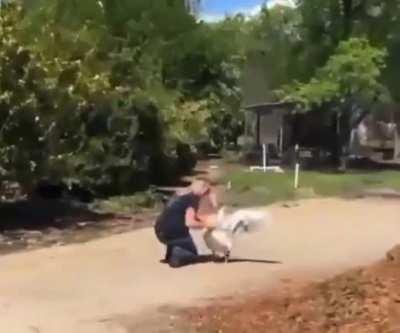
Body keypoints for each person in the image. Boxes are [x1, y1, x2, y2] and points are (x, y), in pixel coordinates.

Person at [154, 179, 218, 268]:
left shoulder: (180, 193)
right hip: (172, 233)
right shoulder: (192, 199)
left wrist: (202, 221)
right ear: (203, 190)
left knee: (180, 233)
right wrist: (208, 225)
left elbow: (180, 213)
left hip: (160, 230)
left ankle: (173, 248)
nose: (206, 195)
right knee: (192, 253)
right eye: (207, 192)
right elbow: (190, 222)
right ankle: (177, 254)